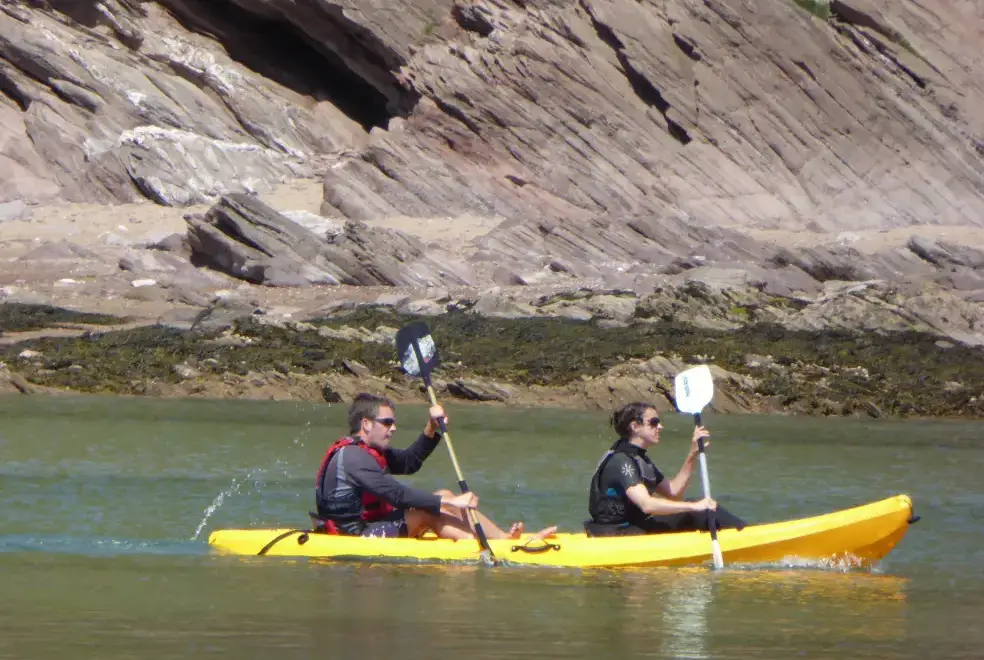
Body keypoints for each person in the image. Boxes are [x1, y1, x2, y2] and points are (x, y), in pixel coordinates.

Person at [315, 392, 557, 540]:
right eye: (387, 422)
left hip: (372, 525)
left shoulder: (372, 453)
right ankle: (493, 545)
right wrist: (451, 504)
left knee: (442, 494)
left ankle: (502, 538)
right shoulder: (354, 458)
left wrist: (432, 429)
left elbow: (410, 462)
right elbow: (397, 494)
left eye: (393, 422)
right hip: (354, 535)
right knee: (426, 509)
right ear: (366, 424)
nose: (393, 428)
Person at [585, 401, 746, 536]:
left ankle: (739, 536)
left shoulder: (639, 459)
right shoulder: (621, 460)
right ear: (635, 426)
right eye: (654, 422)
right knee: (697, 509)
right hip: (617, 535)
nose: (660, 426)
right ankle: (745, 536)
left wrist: (692, 455)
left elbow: (674, 492)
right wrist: (694, 507)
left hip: (634, 528)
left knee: (695, 508)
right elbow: (646, 504)